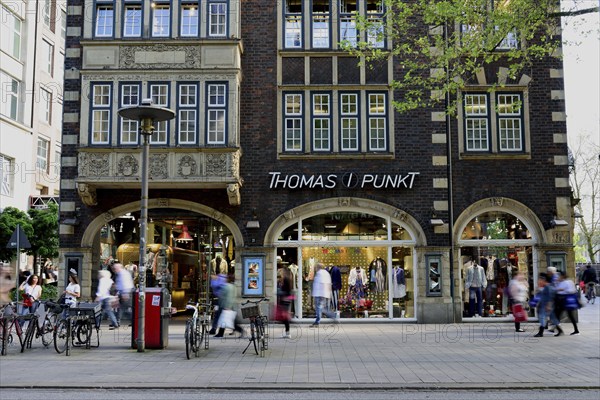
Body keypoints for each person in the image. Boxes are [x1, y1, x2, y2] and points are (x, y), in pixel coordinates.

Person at [533, 272, 562, 337]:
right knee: (553, 318)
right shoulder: (548, 286)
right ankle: (560, 331)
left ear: (544, 280)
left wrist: (548, 305)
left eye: (540, 280)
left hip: (546, 306)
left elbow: (550, 297)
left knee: (542, 318)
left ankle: (540, 332)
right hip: (547, 305)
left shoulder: (548, 287)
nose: (539, 281)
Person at [277, 267, 293, 338]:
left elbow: (287, 291)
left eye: (281, 271)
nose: (280, 272)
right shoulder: (286, 279)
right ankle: (287, 332)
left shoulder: (286, 279)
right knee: (284, 317)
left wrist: (279, 292)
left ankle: (287, 333)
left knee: (284, 317)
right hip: (285, 300)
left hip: (285, 300)